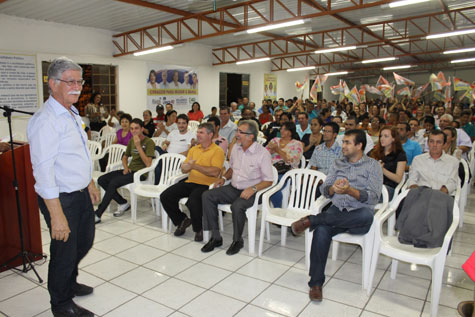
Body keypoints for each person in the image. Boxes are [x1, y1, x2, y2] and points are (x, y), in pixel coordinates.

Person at [27, 57, 100, 317]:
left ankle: (69, 280)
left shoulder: (71, 112)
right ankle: (61, 305)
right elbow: (44, 173)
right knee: (64, 252)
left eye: (79, 81)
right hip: (60, 199)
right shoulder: (46, 120)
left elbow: (78, 153)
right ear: (53, 83)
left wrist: (89, 180)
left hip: (79, 193)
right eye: (70, 81)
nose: (77, 86)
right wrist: (56, 215)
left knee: (85, 242)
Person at [290, 129, 383, 302]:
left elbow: (373, 197)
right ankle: (316, 284)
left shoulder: (373, 166)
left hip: (359, 213)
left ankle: (313, 220)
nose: (343, 145)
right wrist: (333, 189)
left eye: (347, 142)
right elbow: (324, 189)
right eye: (344, 142)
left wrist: (350, 190)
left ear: (359, 145)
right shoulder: (338, 163)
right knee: (321, 231)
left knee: (366, 216)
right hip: (338, 209)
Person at [201, 120, 274, 255]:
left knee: (237, 206)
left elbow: (269, 181)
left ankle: (237, 240)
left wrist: (253, 189)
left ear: (251, 136)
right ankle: (216, 237)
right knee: (207, 195)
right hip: (234, 188)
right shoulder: (236, 148)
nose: (237, 135)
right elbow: (233, 169)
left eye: (240, 132)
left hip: (254, 192)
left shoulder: (262, 153)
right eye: (237, 131)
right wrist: (223, 178)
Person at [160, 123, 225, 241]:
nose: (198, 135)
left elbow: (215, 172)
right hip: (191, 181)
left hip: (207, 184)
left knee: (193, 201)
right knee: (165, 196)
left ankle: (198, 228)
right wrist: (186, 167)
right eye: (198, 132)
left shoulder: (217, 151)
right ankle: (182, 220)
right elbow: (184, 168)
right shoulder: (194, 149)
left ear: (210, 135)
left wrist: (194, 166)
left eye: (201, 132)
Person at [94, 118, 155, 222]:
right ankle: (123, 203)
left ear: (142, 129)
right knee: (102, 179)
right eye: (132, 129)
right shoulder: (132, 140)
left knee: (113, 183)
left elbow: (148, 164)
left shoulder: (149, 142)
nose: (134, 131)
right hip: (130, 170)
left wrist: (138, 146)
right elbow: (125, 157)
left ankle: (98, 214)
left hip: (140, 174)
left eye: (136, 128)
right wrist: (126, 168)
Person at [407, 130, 459, 196]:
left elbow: (453, 183)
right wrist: (415, 190)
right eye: (431, 141)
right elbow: (412, 179)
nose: (434, 145)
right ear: (428, 143)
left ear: (444, 144)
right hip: (421, 195)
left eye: (438, 142)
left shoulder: (453, 162)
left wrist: (438, 194)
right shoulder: (418, 159)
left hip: (442, 197)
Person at [266, 122, 303, 208]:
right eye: (281, 129)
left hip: (286, 171)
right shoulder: (275, 140)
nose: (281, 131)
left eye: (284, 129)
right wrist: (270, 151)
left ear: (290, 132)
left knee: (273, 185)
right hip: (270, 169)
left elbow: (292, 161)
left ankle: (277, 209)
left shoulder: (297, 144)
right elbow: (263, 155)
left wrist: (277, 150)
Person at [370, 127, 407, 200]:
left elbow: (398, 179)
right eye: (381, 136)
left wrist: (382, 170)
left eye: (386, 136)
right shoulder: (373, 152)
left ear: (393, 139)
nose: (382, 139)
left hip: (387, 188)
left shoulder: (400, 154)